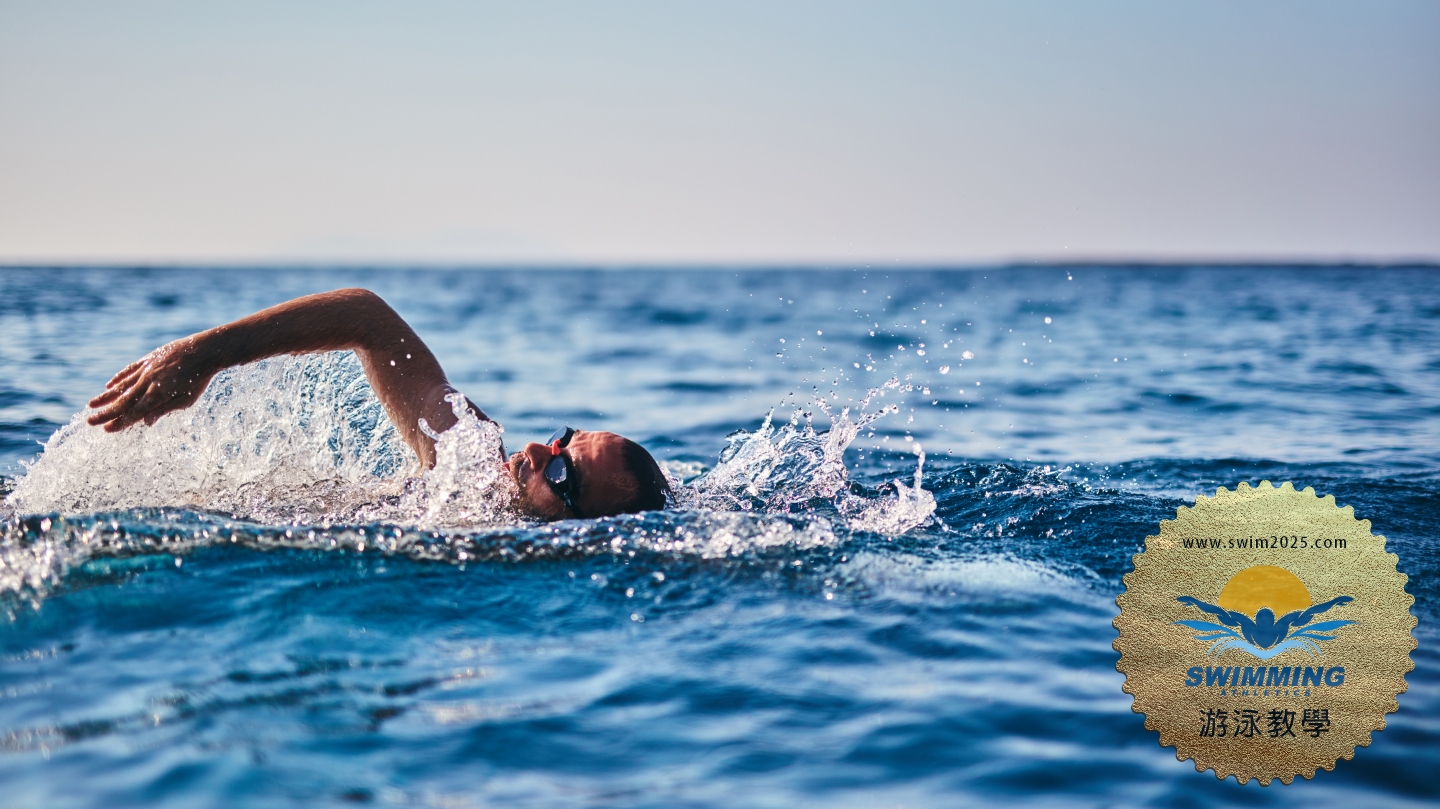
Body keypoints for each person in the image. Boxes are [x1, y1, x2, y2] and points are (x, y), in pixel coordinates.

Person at [85, 288, 670, 520]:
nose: (541, 450)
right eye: (564, 439)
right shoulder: (465, 451)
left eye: (564, 472)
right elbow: (367, 317)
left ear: (576, 531)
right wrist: (203, 356)